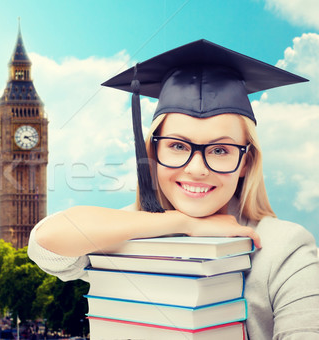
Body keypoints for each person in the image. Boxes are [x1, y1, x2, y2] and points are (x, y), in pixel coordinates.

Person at [27, 40, 319, 339]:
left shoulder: (285, 249)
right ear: (152, 153)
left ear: (246, 161)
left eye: (220, 150)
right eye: (178, 146)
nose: (197, 168)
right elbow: (45, 242)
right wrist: (184, 224)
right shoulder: (124, 233)